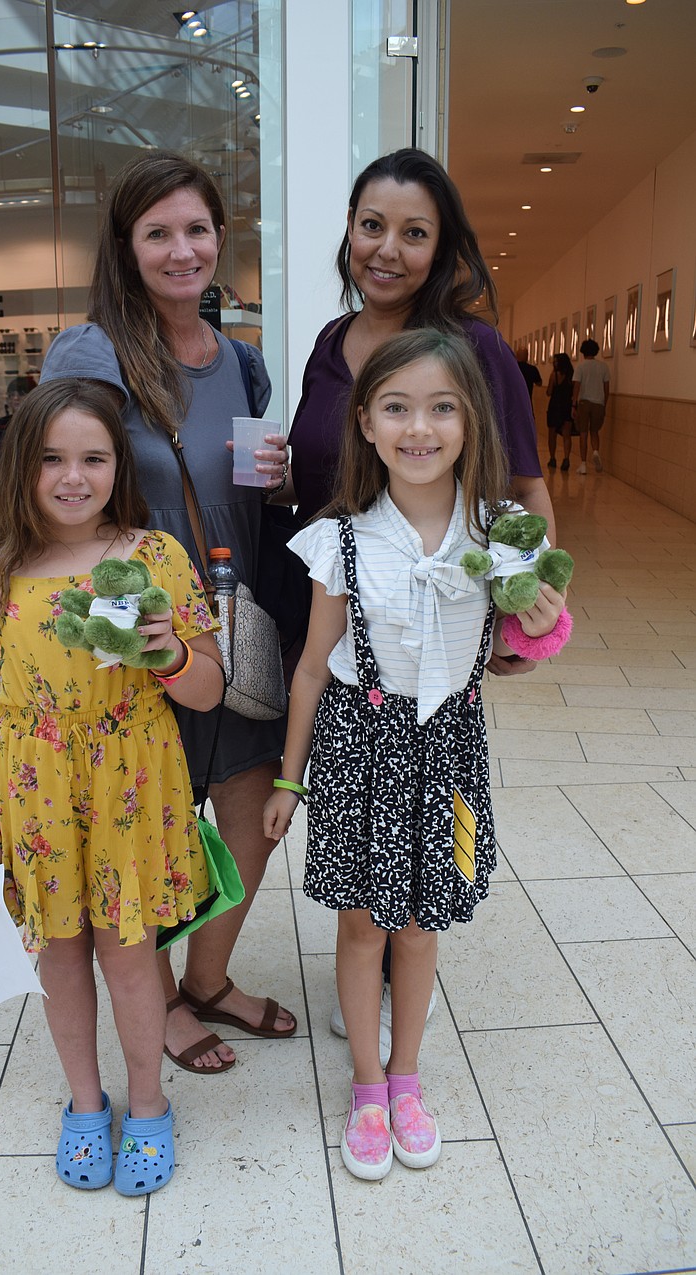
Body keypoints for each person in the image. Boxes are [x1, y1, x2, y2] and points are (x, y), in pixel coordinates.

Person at [10, 150, 294, 1071]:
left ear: (220, 237)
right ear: (127, 247)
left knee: (250, 808)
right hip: (130, 630)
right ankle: (161, 997)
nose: (183, 250)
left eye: (197, 229)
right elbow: (53, 486)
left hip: (227, 620)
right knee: (149, 817)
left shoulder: (244, 364)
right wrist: (1, 649)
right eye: (159, 233)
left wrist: (279, 485)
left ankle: (207, 979)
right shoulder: (91, 351)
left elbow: (244, 496)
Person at [263, 329, 568, 1180]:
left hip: (452, 752)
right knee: (362, 924)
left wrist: (545, 625)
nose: (419, 427)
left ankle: (406, 1076)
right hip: (362, 751)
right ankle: (366, 1083)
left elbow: (533, 637)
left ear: (473, 420)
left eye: (442, 407)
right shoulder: (344, 538)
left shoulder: (501, 533)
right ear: (365, 423)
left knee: (424, 927)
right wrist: (290, 776)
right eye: (396, 407)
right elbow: (313, 668)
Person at [279, 146, 556, 1055]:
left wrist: (524, 608)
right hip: (336, 589)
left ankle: (400, 999)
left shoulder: (470, 347)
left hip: (428, 609)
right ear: (349, 232)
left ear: (442, 248)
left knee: (429, 826)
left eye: (414, 232)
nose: (387, 248)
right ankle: (365, 976)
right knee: (359, 821)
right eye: (371, 226)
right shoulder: (330, 341)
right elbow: (316, 465)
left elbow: (523, 487)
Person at [0, 378, 224, 1195]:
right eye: (52, 459)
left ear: (118, 465)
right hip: (33, 799)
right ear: (22, 470)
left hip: (129, 794)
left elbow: (209, 689)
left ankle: (147, 1105)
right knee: (60, 958)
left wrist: (170, 652)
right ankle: (84, 1101)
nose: (74, 477)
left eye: (93, 458)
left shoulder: (155, 558)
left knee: (130, 958)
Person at [572, 338, 610, 473]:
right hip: (598, 403)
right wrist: (604, 405)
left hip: (584, 403)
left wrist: (573, 405)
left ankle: (583, 464)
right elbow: (606, 389)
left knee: (583, 433)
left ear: (583, 352)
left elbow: (576, 386)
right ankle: (595, 451)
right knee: (594, 431)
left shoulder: (581, 367)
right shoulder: (603, 367)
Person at [545, 352, 574, 470]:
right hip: (567, 406)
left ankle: (552, 458)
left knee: (552, 434)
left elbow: (549, 392)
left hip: (555, 406)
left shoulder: (554, 375)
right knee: (567, 435)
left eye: (555, 361)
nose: (554, 363)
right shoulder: (572, 375)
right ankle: (566, 458)